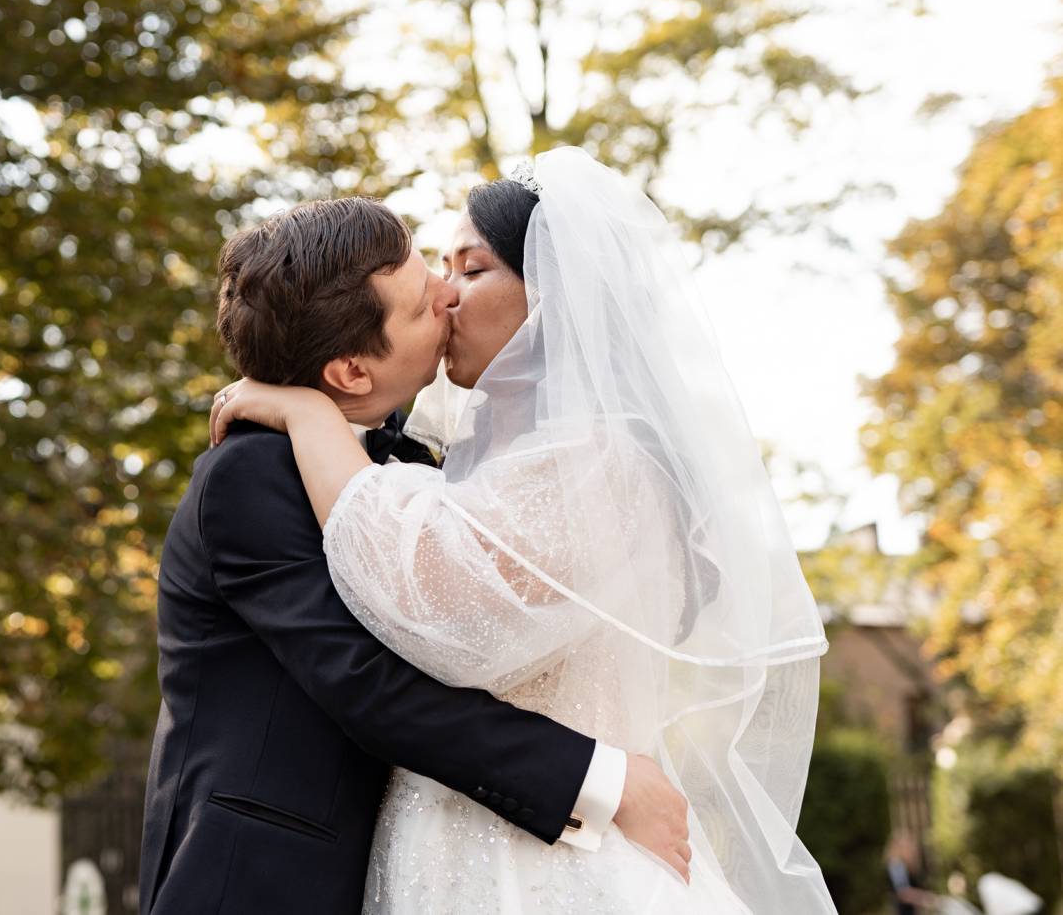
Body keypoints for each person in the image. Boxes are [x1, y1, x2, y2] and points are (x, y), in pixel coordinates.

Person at [211, 146, 836, 912]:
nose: (444, 294)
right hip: (472, 845)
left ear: (555, 299)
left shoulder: (598, 463)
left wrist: (310, 416)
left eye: (470, 270)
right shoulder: (491, 465)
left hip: (538, 867)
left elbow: (429, 605)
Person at [139, 194, 691, 915]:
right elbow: (366, 682)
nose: (445, 294)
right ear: (351, 373)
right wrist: (603, 781)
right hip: (260, 882)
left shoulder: (426, 466)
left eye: (448, 268)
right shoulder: (253, 472)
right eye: (421, 296)